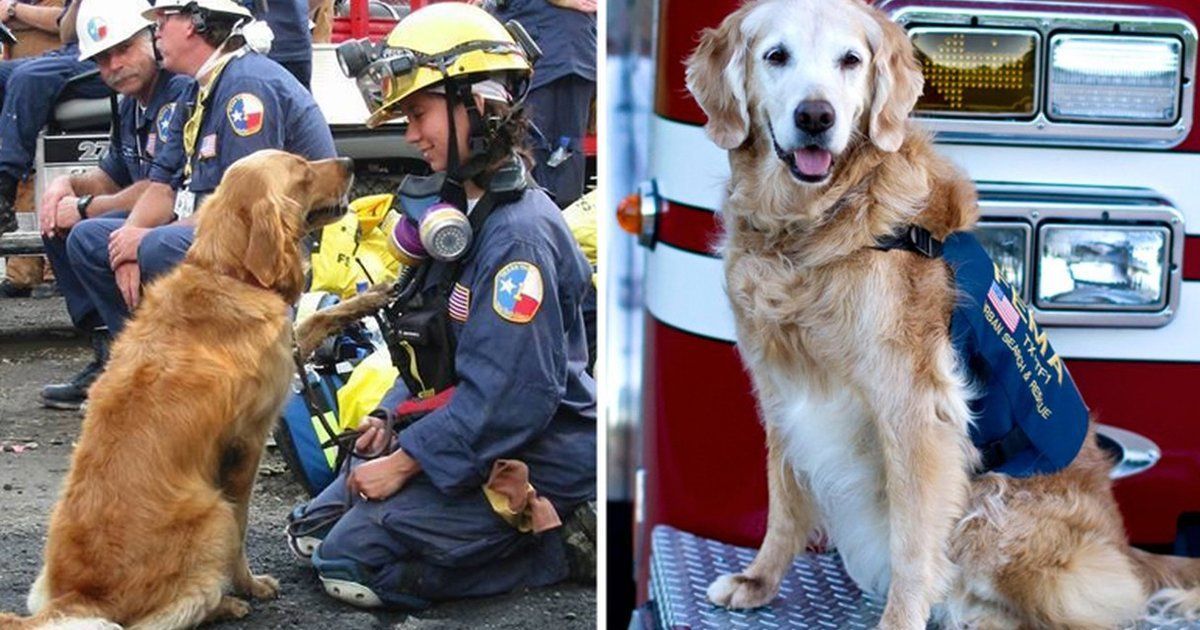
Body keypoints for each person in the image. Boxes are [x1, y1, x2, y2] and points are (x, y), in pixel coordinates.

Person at [286, 3, 596, 609]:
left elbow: (510, 399)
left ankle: (565, 541)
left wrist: (407, 465)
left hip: (541, 447)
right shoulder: (457, 212)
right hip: (476, 430)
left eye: (418, 112)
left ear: (480, 105)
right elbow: (439, 361)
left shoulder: (517, 243)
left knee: (353, 562)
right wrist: (390, 420)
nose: (409, 134)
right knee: (310, 533)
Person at [65, 0, 335, 337]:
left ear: (194, 23)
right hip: (217, 225)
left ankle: (201, 363)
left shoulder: (245, 87)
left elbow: (242, 209)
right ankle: (142, 361)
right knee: (91, 239)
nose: (157, 32)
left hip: (273, 242)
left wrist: (143, 241)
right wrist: (126, 244)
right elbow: (162, 186)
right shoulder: (198, 87)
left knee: (158, 245)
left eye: (163, 20)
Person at [35, 0, 192, 410]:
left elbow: (162, 188)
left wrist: (88, 208)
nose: (114, 65)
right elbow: (113, 174)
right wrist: (66, 186)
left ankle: (143, 369)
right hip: (151, 213)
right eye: (103, 59)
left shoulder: (178, 92)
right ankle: (109, 352)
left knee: (87, 232)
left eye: (123, 50)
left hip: (180, 218)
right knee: (59, 222)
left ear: (151, 42)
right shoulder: (129, 103)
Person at [0, 0, 109, 236]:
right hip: (71, 54)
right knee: (3, 73)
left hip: (107, 57)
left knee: (27, 77)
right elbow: (67, 33)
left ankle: (4, 188)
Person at [489, 0, 595, 208]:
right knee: (543, 153)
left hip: (552, 51)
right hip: (543, 46)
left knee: (549, 158)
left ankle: (551, 228)